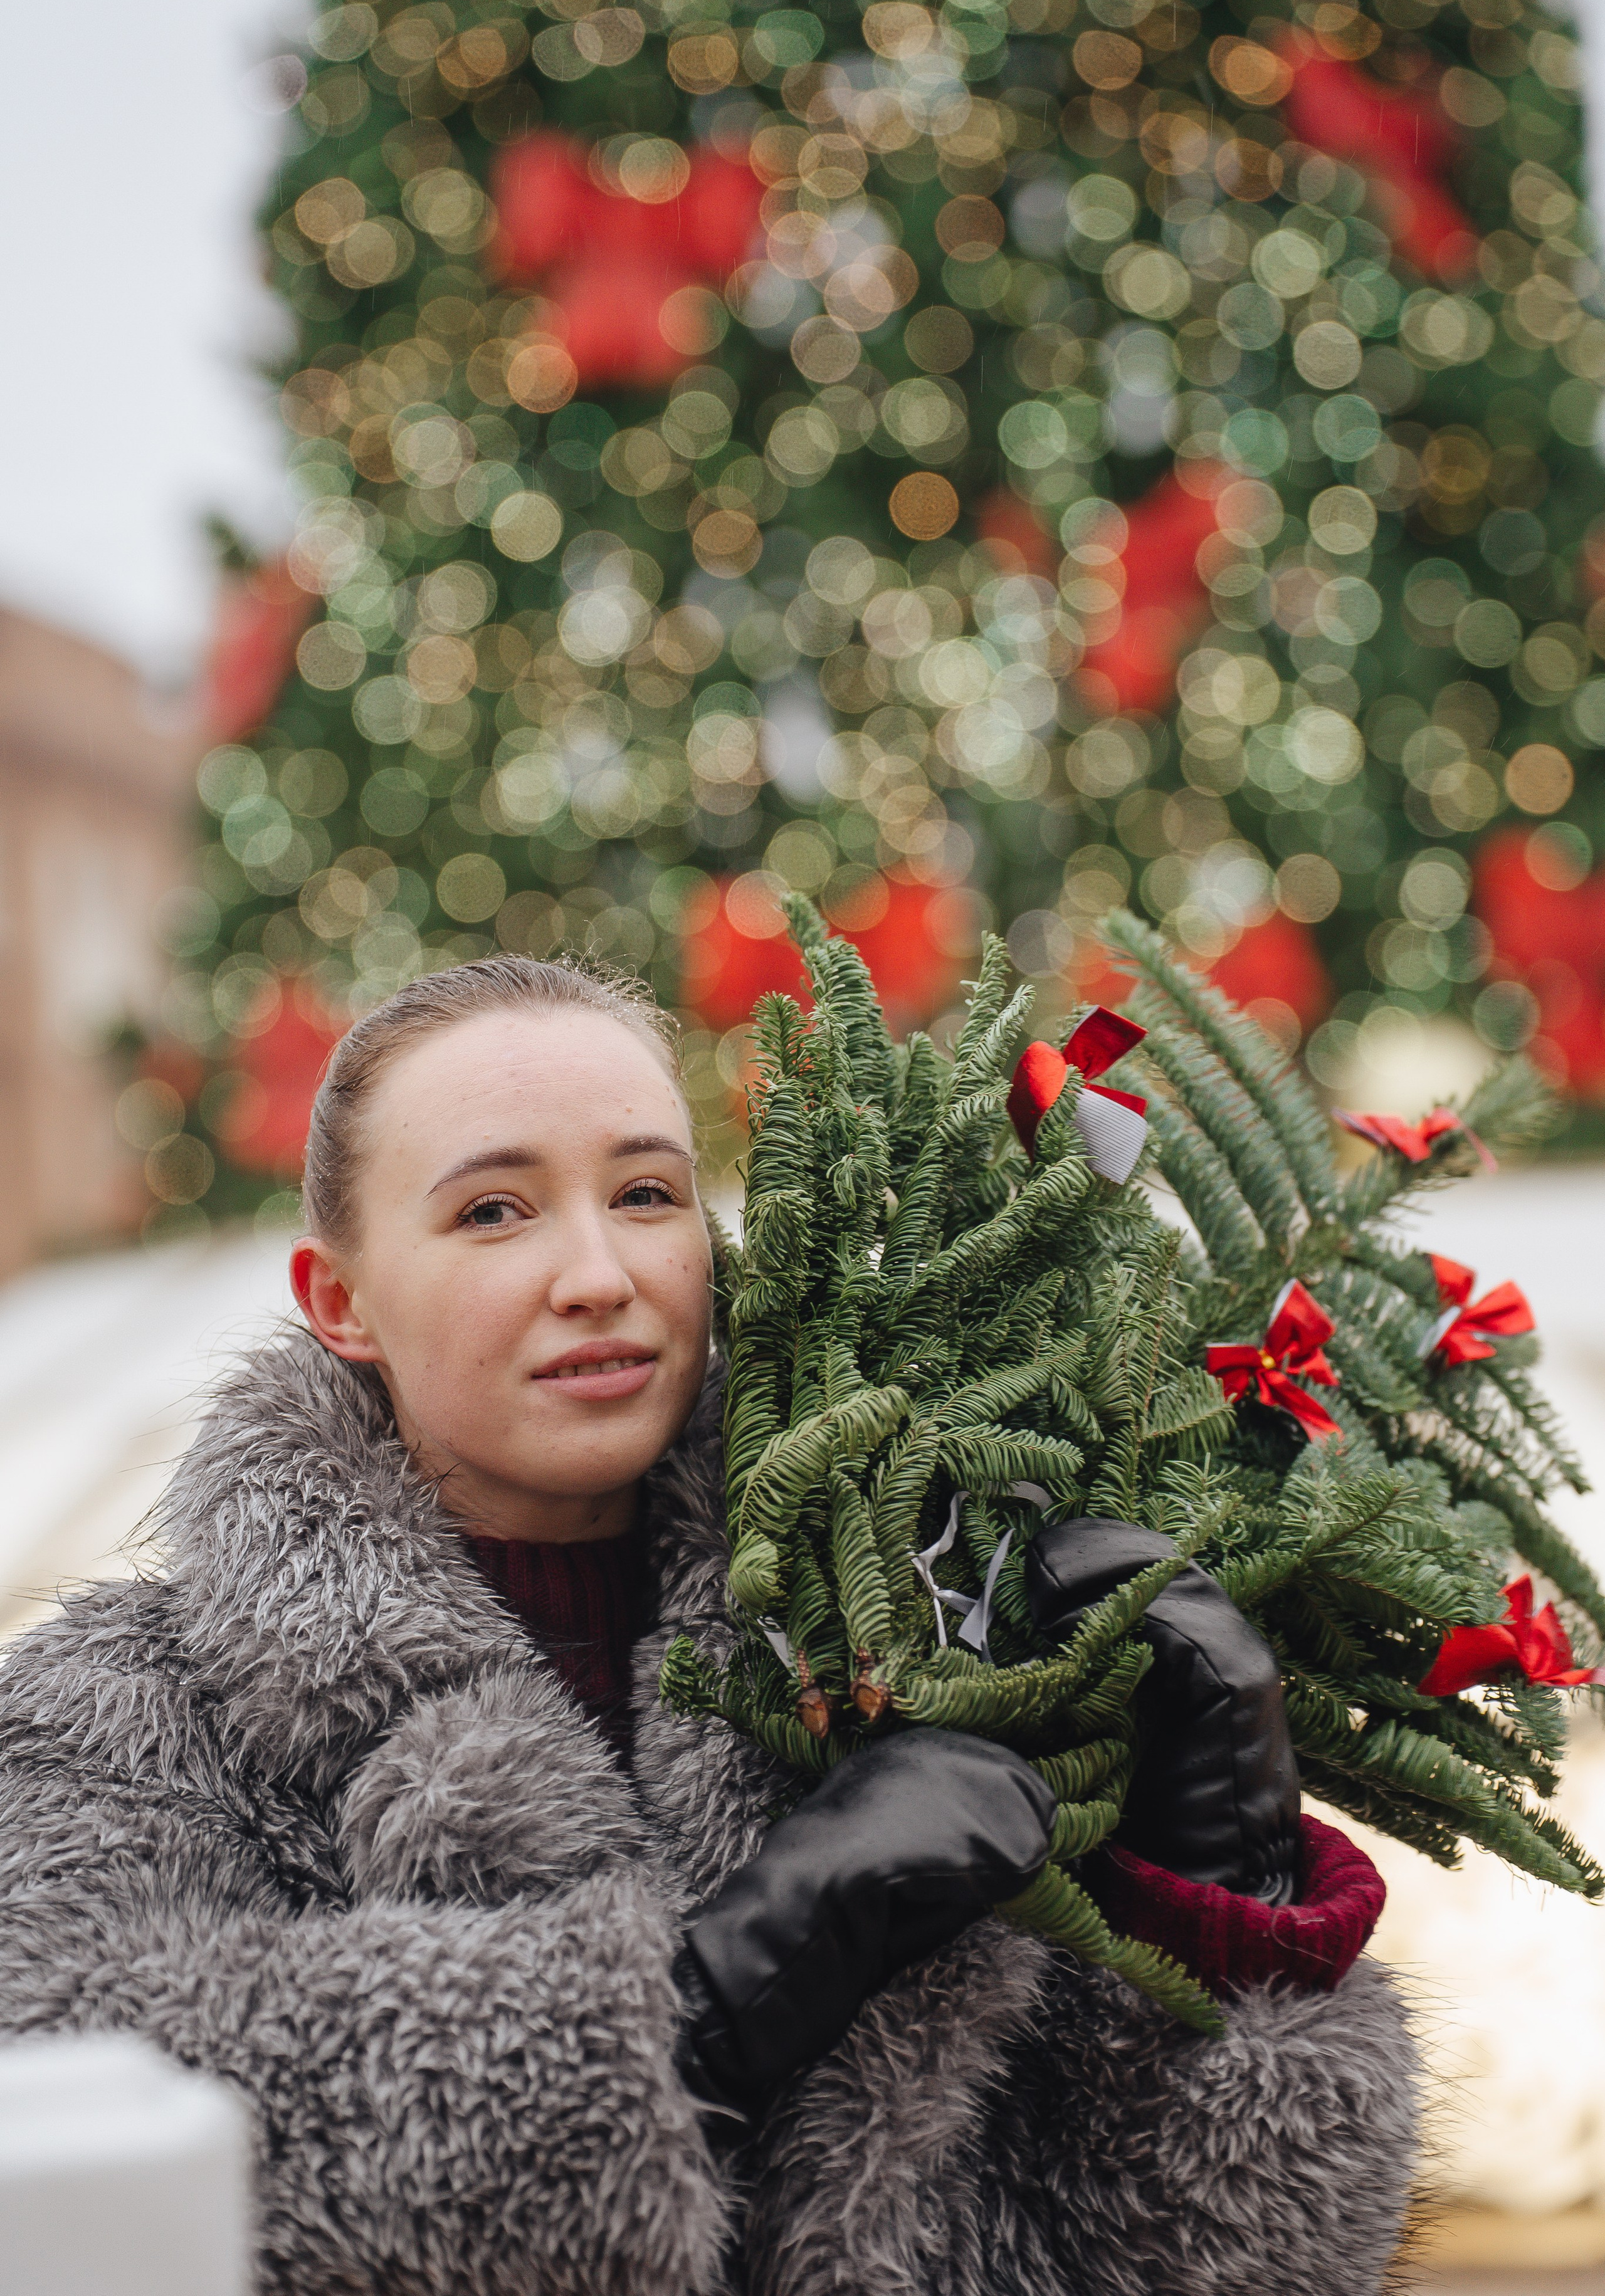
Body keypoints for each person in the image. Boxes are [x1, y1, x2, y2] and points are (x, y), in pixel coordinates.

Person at [0, 955, 1416, 2295]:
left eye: (645, 1194)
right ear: (340, 1299)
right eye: (493, 1211)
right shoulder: (122, 1715)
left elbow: (1217, 2259)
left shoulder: (919, 1638)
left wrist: (1227, 1893)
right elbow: (98, 2162)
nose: (597, 1273)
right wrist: (722, 1987)